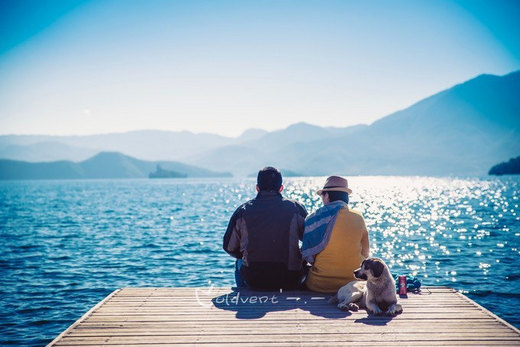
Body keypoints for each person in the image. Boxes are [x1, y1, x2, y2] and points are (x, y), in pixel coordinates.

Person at [223, 167, 308, 290]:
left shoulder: (243, 211)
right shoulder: (296, 208)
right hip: (289, 279)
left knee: (239, 262)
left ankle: (244, 294)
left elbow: (229, 247)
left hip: (254, 279)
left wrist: (244, 255)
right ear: (281, 188)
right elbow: (310, 240)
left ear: (257, 188)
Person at [302, 176, 370, 293]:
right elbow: (365, 253)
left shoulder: (314, 218)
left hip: (320, 284)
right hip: (353, 283)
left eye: (322, 195)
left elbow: (308, 256)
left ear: (327, 196)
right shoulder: (358, 218)